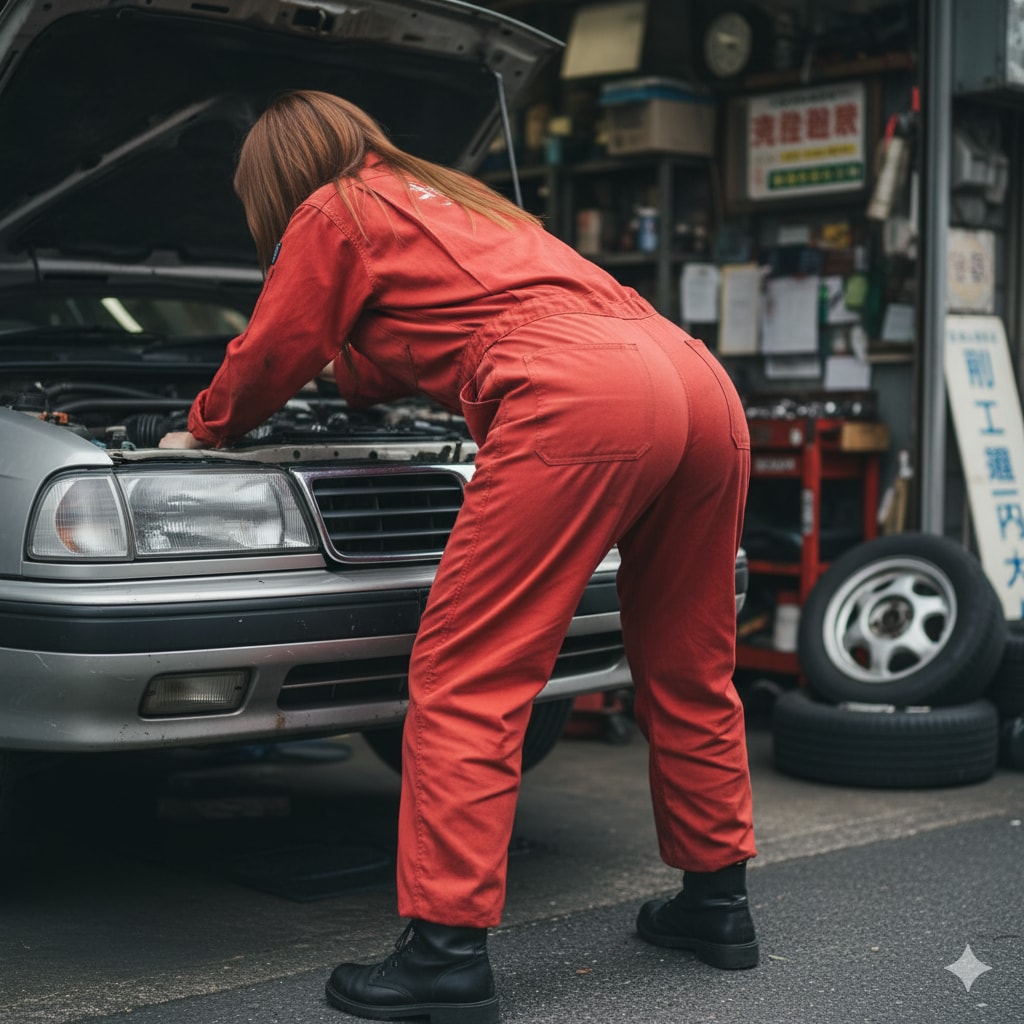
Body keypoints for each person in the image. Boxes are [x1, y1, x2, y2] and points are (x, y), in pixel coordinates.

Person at [159, 89, 758, 1024]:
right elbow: (413, 340)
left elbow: (273, 352)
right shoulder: (461, 202)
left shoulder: (335, 208)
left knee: (468, 672)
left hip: (582, 394)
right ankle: (717, 907)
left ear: (276, 174)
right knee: (690, 660)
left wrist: (200, 431)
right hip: (693, 378)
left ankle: (443, 956)